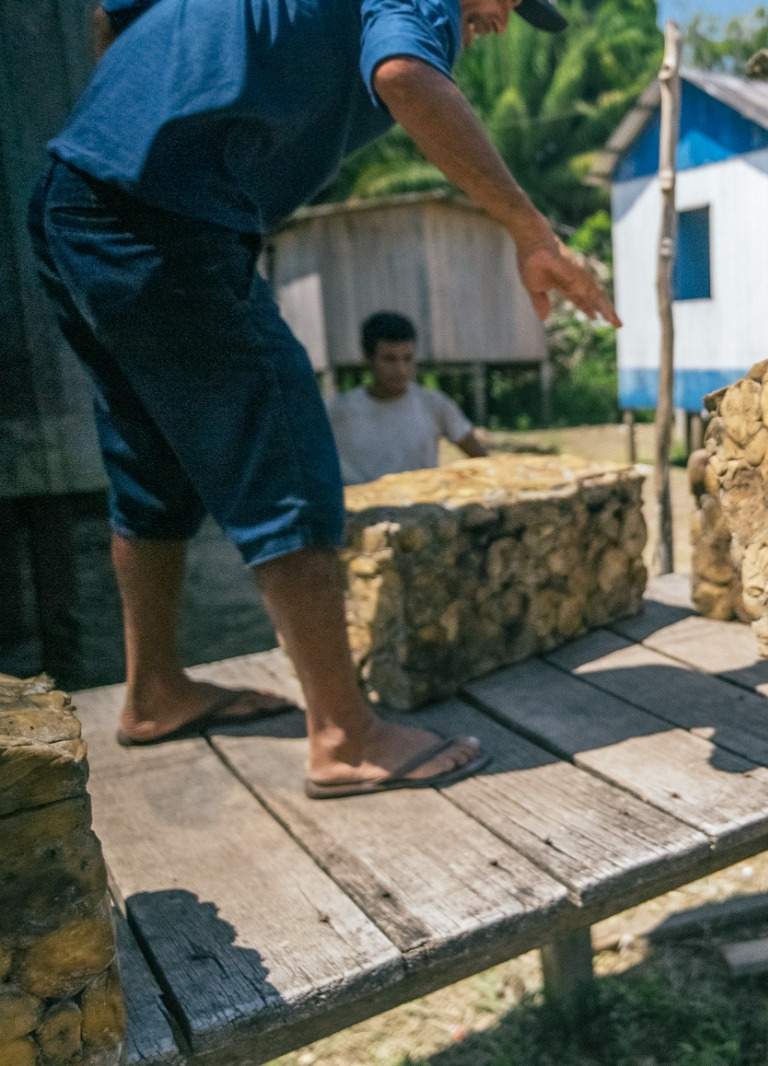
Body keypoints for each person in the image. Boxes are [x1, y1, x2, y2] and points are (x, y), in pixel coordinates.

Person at [31, 0, 619, 798]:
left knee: (150, 454)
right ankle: (346, 735)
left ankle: (154, 690)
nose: (502, 23)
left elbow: (112, 14)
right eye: (506, 2)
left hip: (73, 197)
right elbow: (405, 74)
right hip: (163, 214)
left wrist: (136, 124)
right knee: (285, 443)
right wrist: (532, 232)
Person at [329, 311, 489, 485]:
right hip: (362, 500)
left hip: (423, 499)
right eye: (389, 359)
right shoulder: (337, 412)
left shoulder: (434, 405)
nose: (401, 369)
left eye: (407, 359)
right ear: (367, 359)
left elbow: (482, 460)